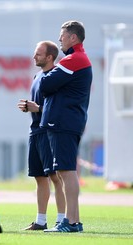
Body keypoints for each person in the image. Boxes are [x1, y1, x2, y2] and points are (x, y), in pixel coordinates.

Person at [39, 21, 92, 232]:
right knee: (64, 171)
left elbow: (45, 84)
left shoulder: (73, 59)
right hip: (67, 121)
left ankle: (70, 221)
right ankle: (73, 221)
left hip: (64, 122)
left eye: (63, 36)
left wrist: (51, 79)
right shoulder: (75, 59)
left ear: (73, 37)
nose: (60, 39)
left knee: (67, 171)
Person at [17, 41, 66, 230]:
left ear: (49, 57)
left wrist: (39, 108)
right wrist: (29, 108)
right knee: (39, 177)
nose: (34, 57)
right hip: (35, 131)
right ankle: (40, 220)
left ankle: (62, 220)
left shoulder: (56, 78)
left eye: (38, 54)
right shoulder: (37, 76)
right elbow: (39, 106)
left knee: (55, 177)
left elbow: (58, 108)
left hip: (48, 132)